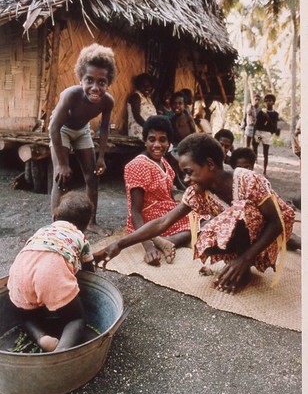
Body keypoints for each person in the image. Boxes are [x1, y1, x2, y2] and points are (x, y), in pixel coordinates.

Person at [99, 133, 295, 294]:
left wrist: (245, 259)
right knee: (206, 232)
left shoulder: (248, 181)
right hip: (244, 230)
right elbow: (163, 222)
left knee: (240, 212)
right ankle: (237, 259)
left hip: (269, 230)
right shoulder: (197, 191)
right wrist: (119, 244)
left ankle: (244, 266)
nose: (185, 179)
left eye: (189, 172)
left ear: (210, 164)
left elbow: (275, 223)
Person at [7, 191, 106, 352]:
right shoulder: (80, 236)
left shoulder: (42, 231)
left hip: (21, 270)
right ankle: (60, 352)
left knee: (26, 317)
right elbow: (89, 273)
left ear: (54, 217)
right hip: (50, 274)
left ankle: (42, 338)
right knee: (76, 319)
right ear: (85, 226)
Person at [48, 43, 116, 234]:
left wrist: (101, 156)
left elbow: (104, 128)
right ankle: (56, 226)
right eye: (89, 80)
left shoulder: (108, 101)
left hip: (82, 131)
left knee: (92, 178)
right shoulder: (70, 95)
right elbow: (54, 127)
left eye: (102, 82)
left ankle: (91, 222)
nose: (95, 87)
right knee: (60, 178)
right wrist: (62, 163)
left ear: (108, 83)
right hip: (61, 130)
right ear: (80, 79)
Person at [124, 115, 191, 266]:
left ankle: (166, 241)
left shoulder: (163, 163)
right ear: (145, 141)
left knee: (202, 216)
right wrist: (148, 247)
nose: (157, 144)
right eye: (152, 139)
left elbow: (169, 196)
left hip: (163, 212)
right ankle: (157, 240)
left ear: (169, 143)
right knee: (200, 222)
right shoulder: (138, 165)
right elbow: (135, 211)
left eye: (163, 140)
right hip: (147, 221)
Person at [253, 93, 279, 176]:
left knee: (265, 152)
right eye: (266, 101)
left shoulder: (275, 114)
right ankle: (252, 168)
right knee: (255, 149)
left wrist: (268, 118)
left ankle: (264, 170)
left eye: (270, 101)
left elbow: (274, 126)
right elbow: (257, 124)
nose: (268, 102)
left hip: (267, 134)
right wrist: (254, 133)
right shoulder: (261, 112)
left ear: (273, 102)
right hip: (259, 133)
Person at [127, 73, 157, 140]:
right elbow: (136, 115)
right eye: (143, 86)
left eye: (148, 86)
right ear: (138, 86)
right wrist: (147, 127)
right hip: (139, 131)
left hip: (149, 130)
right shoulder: (136, 96)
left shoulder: (148, 98)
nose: (146, 88)